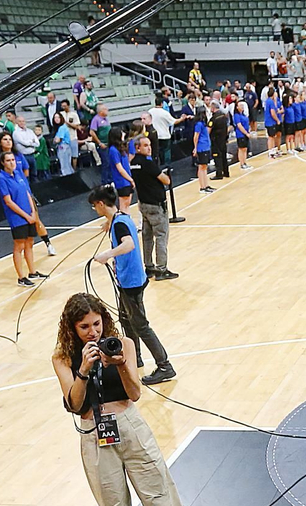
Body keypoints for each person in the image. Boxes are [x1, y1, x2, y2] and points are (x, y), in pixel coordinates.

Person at [51, 293, 207, 506]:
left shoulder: (123, 344)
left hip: (130, 427)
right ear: (72, 328)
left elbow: (135, 393)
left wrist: (121, 365)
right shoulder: (62, 358)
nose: (93, 332)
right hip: (93, 433)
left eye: (96, 324)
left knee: (160, 498)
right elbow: (74, 404)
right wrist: (83, 369)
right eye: (84, 327)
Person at [88, 185, 175, 384]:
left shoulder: (119, 224)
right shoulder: (121, 217)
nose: (95, 210)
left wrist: (106, 255)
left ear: (101, 204)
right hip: (129, 280)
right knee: (126, 320)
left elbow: (129, 244)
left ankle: (165, 365)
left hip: (131, 282)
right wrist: (108, 222)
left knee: (141, 325)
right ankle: (134, 358)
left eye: (95, 206)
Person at [130, 132, 176, 281]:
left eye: (149, 145)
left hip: (143, 204)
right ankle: (162, 269)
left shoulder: (133, 163)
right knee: (161, 236)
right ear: (137, 147)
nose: (149, 148)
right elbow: (166, 180)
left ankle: (149, 267)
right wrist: (164, 175)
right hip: (156, 206)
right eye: (145, 145)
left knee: (147, 237)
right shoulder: (147, 163)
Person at [0, 150, 45, 288]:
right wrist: (26, 215)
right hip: (17, 217)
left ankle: (32, 272)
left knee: (30, 242)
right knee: (19, 246)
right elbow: (9, 202)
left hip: (29, 214)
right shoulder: (1, 178)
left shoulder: (18, 174)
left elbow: (27, 193)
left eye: (13, 160)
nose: (12, 163)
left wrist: (33, 211)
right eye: (8, 160)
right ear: (3, 163)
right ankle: (21, 277)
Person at [191, 106, 213, 193]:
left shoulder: (203, 123)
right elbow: (195, 136)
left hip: (206, 146)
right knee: (201, 167)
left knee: (204, 167)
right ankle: (202, 187)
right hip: (201, 147)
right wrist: (195, 148)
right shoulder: (199, 124)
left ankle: (206, 185)